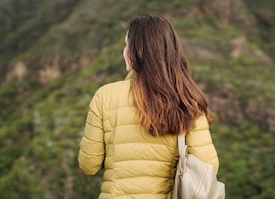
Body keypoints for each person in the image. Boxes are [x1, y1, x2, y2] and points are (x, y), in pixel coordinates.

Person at [78, 14, 219, 198]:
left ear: (136, 51)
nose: (124, 51)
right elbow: (209, 166)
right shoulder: (187, 100)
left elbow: (89, 165)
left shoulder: (105, 96)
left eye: (127, 44)